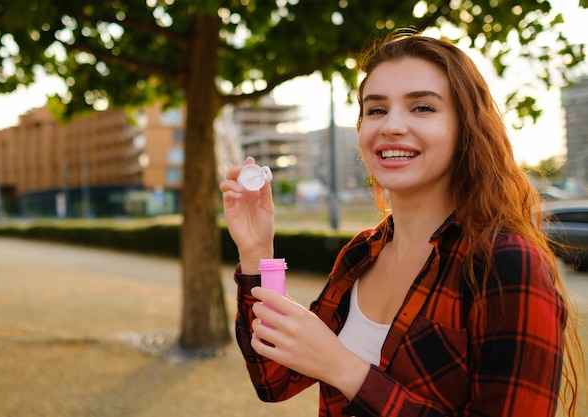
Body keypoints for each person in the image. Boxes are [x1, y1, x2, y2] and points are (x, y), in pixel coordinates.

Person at [220, 32, 584, 417]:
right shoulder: (361, 253)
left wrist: (344, 369)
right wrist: (257, 253)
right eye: (376, 110)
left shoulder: (506, 263)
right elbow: (274, 378)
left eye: (422, 108)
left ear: (466, 129)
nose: (391, 125)